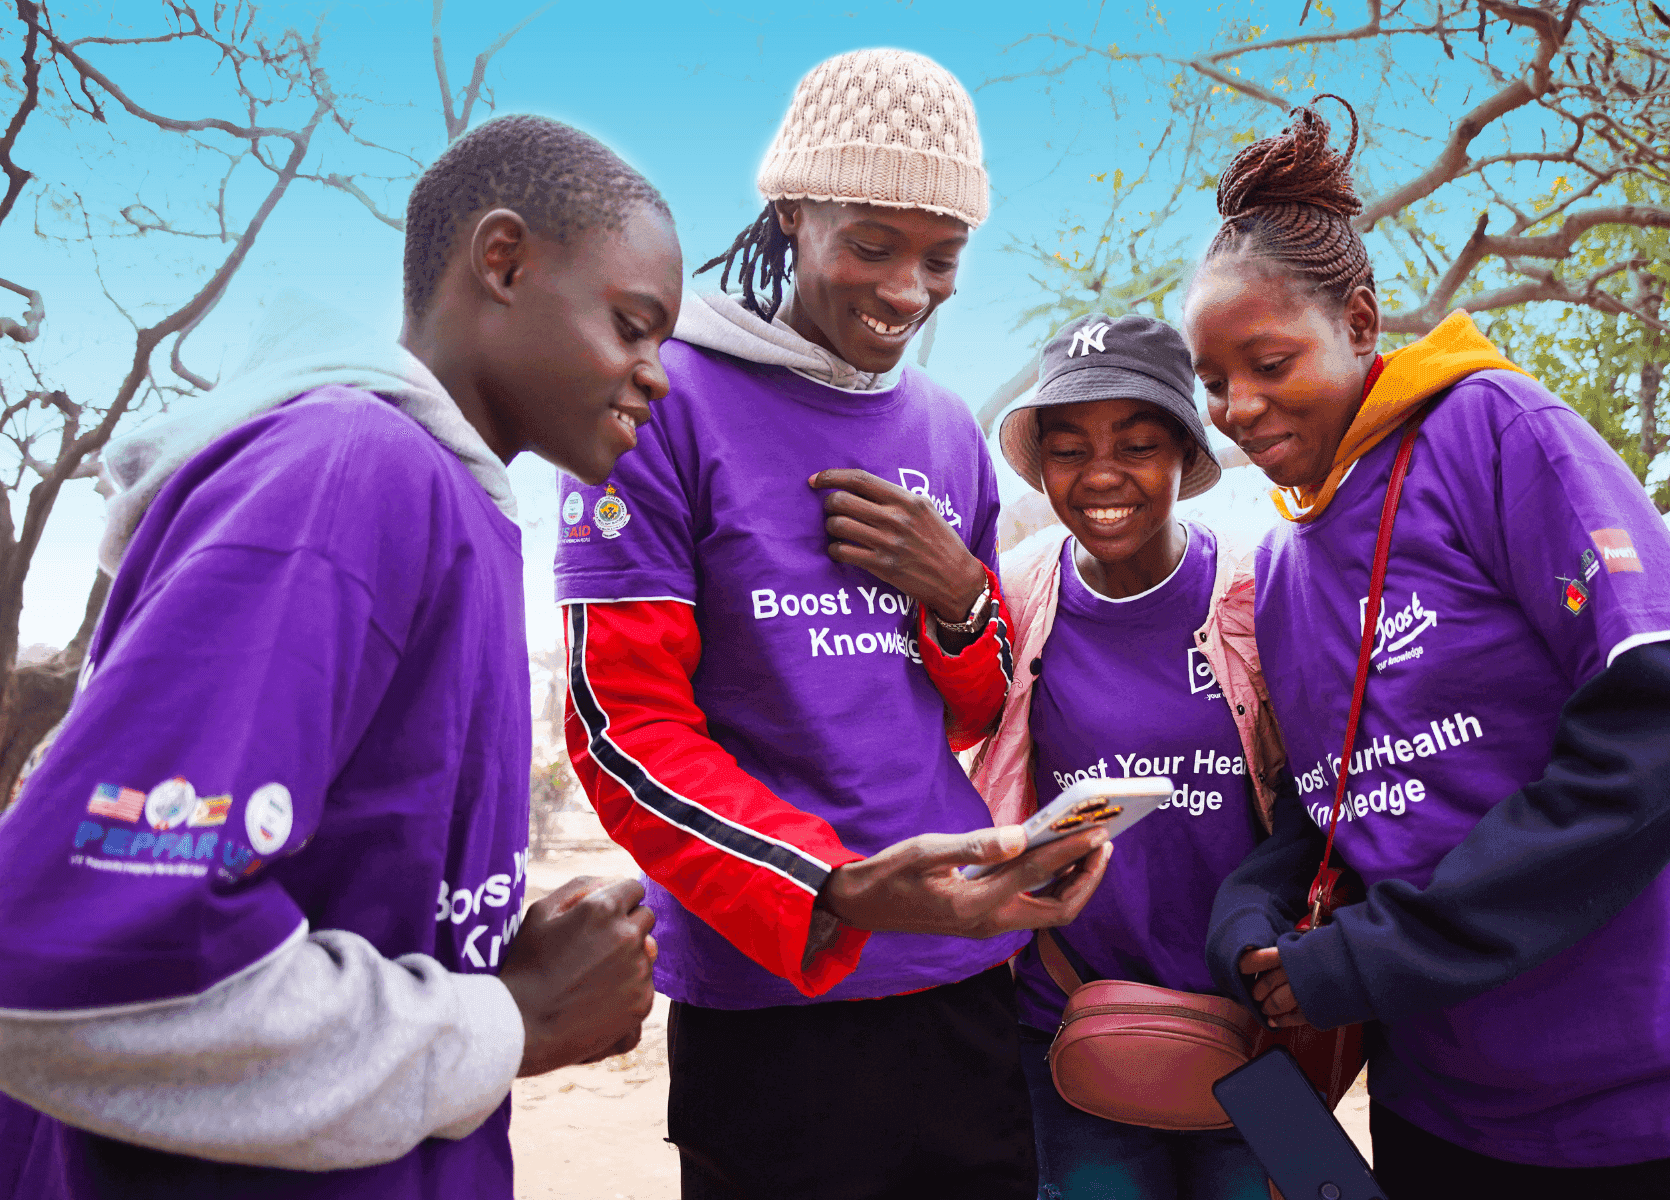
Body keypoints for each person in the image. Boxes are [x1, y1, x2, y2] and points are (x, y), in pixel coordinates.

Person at [0, 114, 680, 1199]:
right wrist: (511, 1017)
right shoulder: (349, 473)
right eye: (633, 325)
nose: (656, 375)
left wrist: (497, 970)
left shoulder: (454, 509)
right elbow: (74, 954)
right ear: (502, 261)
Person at [1190, 99, 1670, 1199]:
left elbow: (1662, 727)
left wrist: (1382, 951)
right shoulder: (1279, 561)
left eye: (1270, 361)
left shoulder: (1497, 433)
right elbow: (1345, 797)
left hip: (1639, 1090)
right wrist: (1253, 908)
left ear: (1361, 324)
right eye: (1215, 379)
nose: (1240, 406)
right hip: (1438, 1101)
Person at [555, 48, 1110, 1200]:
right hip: (776, 993)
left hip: (961, 970)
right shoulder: (662, 404)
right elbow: (622, 728)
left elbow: (976, 703)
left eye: (941, 259)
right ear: (794, 212)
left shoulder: (949, 431)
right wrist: (836, 889)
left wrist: (957, 590)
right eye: (872, 244)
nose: (907, 291)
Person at [967, 313, 1282, 1200]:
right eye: (1068, 450)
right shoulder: (1021, 595)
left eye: (1138, 444)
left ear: (1184, 454)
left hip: (1256, 1039)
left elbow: (1308, 801)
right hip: (1068, 1031)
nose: (1101, 476)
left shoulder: (1258, 596)